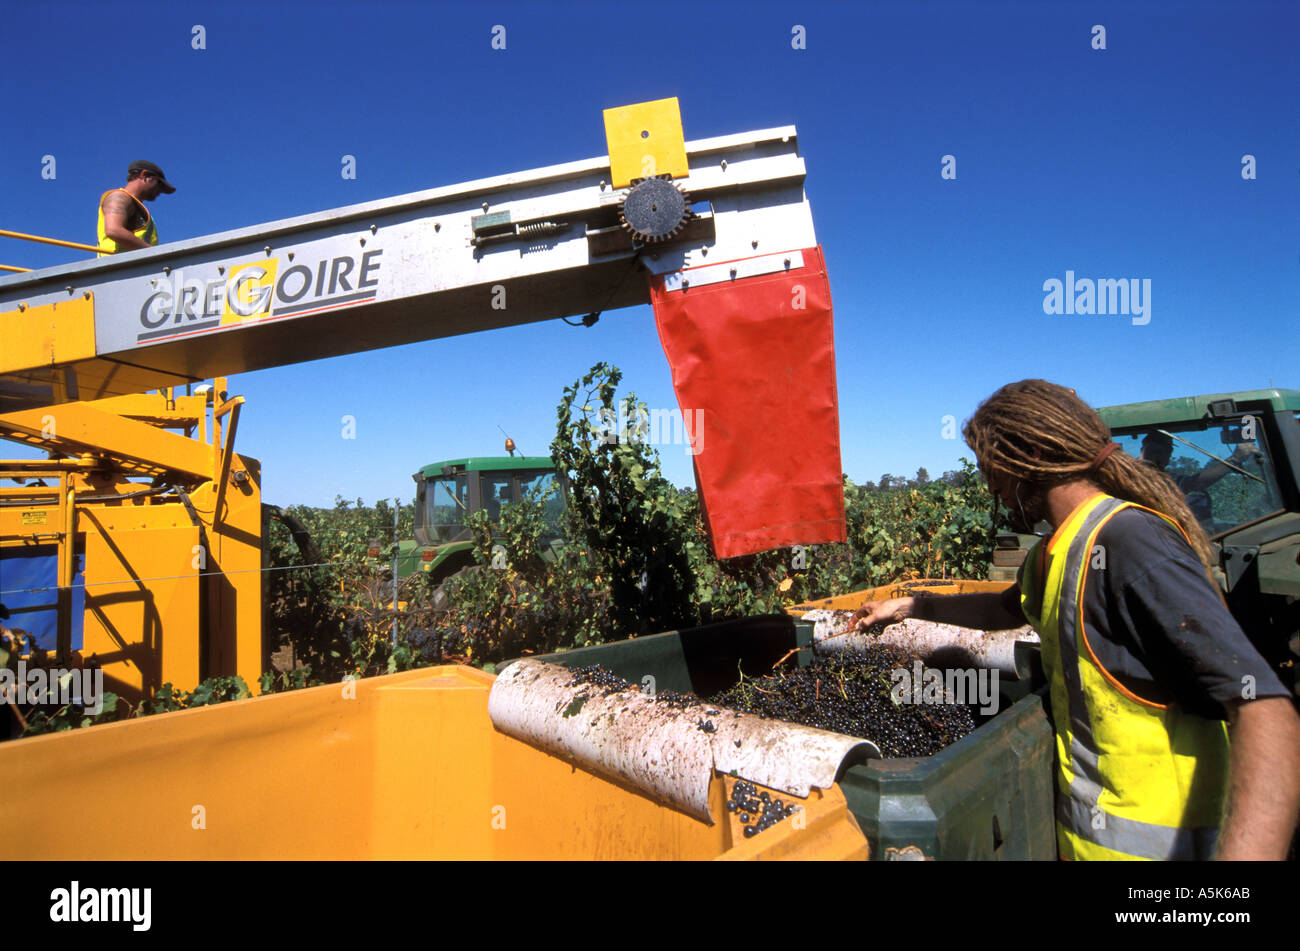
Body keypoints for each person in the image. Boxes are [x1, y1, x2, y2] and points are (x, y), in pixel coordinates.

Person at [853, 379, 1300, 861]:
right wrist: (910, 606)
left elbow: (1265, 710)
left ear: (1026, 462)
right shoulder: (1056, 551)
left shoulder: (1129, 541)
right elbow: (1001, 609)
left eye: (992, 474)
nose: (994, 491)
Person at [1138, 430, 1259, 523]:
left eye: (1168, 450)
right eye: (1156, 450)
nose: (1163, 455)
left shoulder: (1166, 477)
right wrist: (1234, 460)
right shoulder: (1136, 478)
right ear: (1143, 450)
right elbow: (1195, 483)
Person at [97, 160, 175, 256]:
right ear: (145, 176)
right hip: (118, 267)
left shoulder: (137, 206)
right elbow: (113, 230)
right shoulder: (120, 197)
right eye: (159, 185)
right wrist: (155, 253)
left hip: (136, 267)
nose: (160, 191)